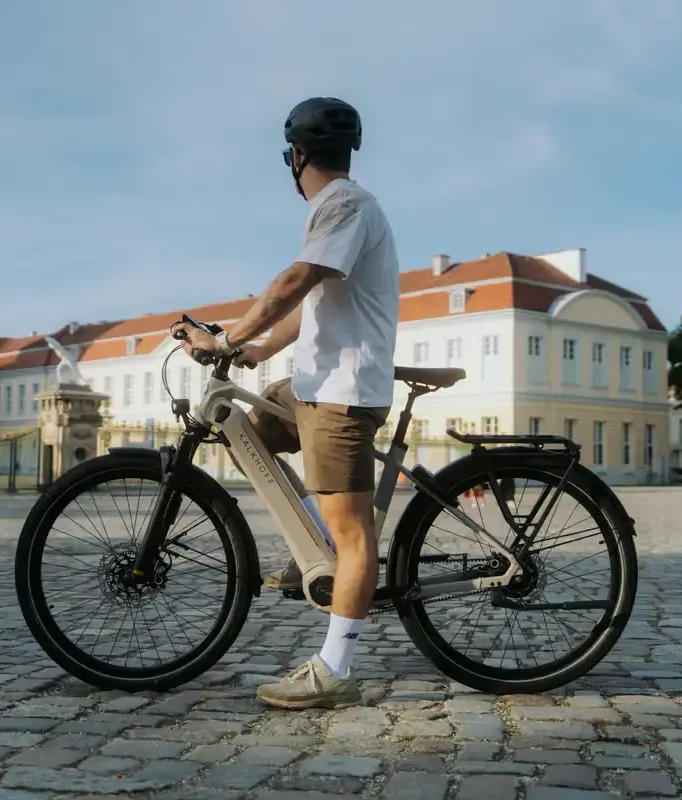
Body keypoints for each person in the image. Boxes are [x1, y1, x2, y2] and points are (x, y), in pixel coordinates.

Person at [172, 97, 399, 710]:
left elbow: (296, 281)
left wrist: (226, 338)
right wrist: (259, 348)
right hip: (309, 385)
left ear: (294, 157)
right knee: (246, 431)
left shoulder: (346, 205)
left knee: (356, 537)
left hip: (342, 395)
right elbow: (314, 301)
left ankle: (336, 669)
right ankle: (313, 544)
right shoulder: (335, 210)